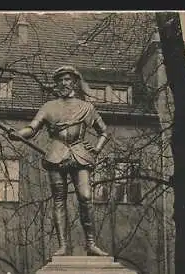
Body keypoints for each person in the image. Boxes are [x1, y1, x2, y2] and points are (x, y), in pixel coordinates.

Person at [8, 65, 109, 256]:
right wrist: (18, 134)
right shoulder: (49, 107)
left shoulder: (87, 107)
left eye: (67, 79)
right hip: (56, 153)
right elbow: (32, 128)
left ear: (74, 82)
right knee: (59, 200)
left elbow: (104, 132)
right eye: (60, 80)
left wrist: (96, 150)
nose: (64, 83)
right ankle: (63, 246)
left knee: (86, 197)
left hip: (80, 153)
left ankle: (91, 244)